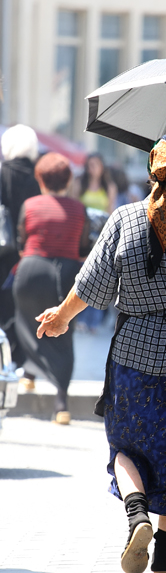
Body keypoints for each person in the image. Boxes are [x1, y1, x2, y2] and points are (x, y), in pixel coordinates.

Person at [35, 133, 166, 573]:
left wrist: (61, 317)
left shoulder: (127, 217)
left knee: (125, 444)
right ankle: (164, 556)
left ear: (150, 169)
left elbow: (92, 283)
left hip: (136, 350)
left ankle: (136, 514)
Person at [13, 152, 90, 424]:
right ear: (68, 180)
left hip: (31, 270)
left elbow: (21, 240)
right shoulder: (79, 209)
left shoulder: (30, 204)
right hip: (66, 273)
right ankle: (61, 403)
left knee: (27, 322)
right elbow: (83, 248)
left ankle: (29, 373)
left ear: (40, 180)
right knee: (63, 331)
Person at [0, 124, 41, 383]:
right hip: (28, 253)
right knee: (22, 308)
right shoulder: (37, 177)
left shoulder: (2, 172)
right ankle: (18, 360)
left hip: (1, 250)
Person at [74, 153, 117, 331]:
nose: (92, 168)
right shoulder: (79, 184)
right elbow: (74, 208)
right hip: (82, 237)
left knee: (98, 279)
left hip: (100, 238)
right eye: (89, 164)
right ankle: (79, 318)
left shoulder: (109, 187)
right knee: (80, 277)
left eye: (96, 164)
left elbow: (111, 213)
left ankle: (93, 320)